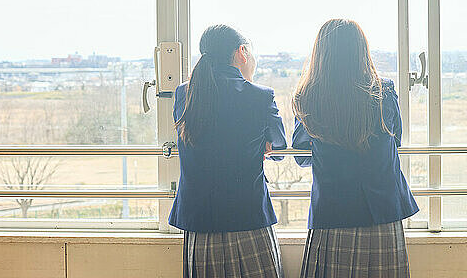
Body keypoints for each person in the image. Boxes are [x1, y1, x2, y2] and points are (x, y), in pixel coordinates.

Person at [292, 19, 418, 278]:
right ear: (362, 51)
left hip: (334, 212)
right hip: (381, 210)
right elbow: (396, 142)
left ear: (320, 53)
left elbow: (302, 157)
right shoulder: (383, 91)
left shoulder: (308, 96)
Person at [170, 24, 287, 278]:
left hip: (199, 222)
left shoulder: (184, 94)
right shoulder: (260, 96)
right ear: (241, 52)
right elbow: (278, 148)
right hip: (248, 217)